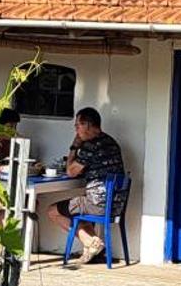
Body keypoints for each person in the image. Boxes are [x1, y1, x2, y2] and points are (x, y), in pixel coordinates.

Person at [48, 107, 124, 263]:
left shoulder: (90, 145)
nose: (76, 129)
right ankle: (93, 245)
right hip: (116, 203)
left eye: (78, 125)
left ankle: (91, 242)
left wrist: (74, 147)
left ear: (88, 125)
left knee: (52, 211)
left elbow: (70, 172)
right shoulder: (110, 141)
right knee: (79, 206)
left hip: (98, 204)